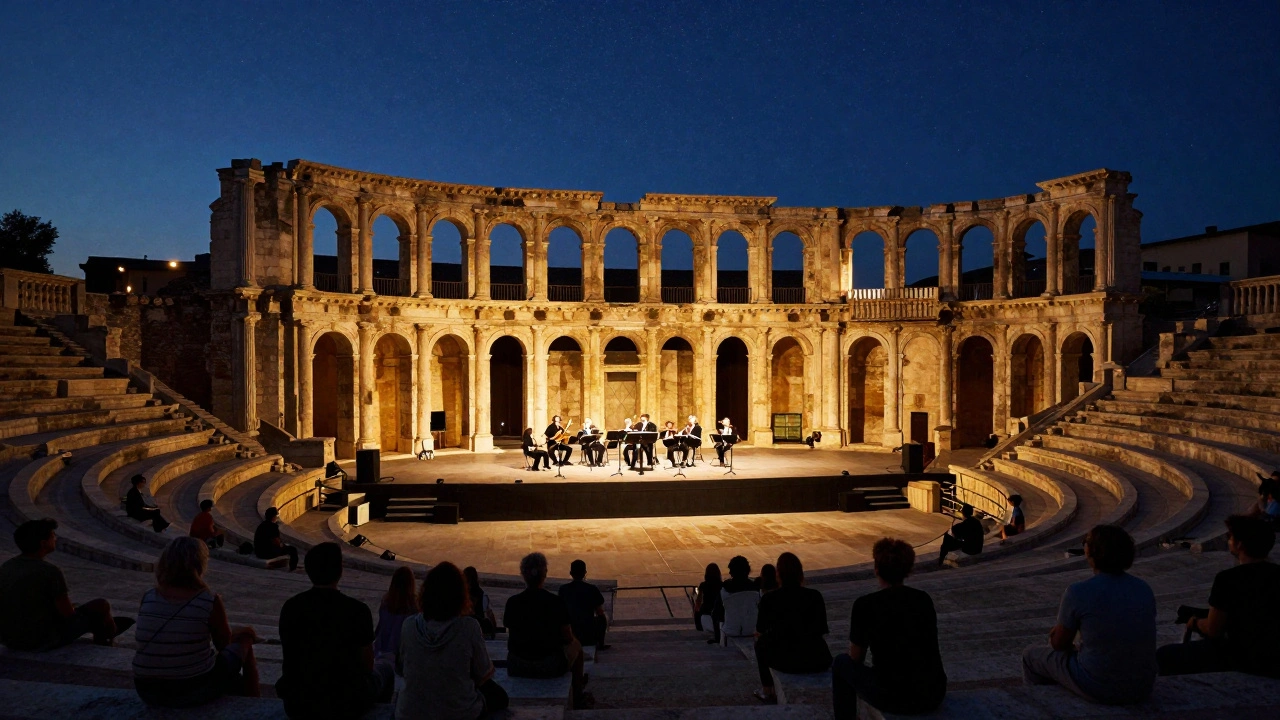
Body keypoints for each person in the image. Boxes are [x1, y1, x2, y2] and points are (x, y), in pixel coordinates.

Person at [1022, 524, 1157, 704]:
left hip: (1099, 685)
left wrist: (1056, 634)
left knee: (1030, 656)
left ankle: (1044, 706)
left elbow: (1059, 644)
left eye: (1086, 542)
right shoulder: (1144, 589)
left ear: (1091, 552)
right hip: (1142, 686)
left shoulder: (1078, 592)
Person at [132, 537, 261, 707]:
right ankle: (255, 703)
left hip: (146, 689)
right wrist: (244, 632)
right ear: (199, 565)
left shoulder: (149, 596)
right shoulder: (207, 600)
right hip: (192, 689)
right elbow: (224, 645)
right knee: (245, 640)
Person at [276, 542, 394, 719]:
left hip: (297, 703)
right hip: (345, 704)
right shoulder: (357, 610)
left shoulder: (290, 607)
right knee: (386, 669)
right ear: (340, 571)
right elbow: (368, 665)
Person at [832, 538, 946, 718]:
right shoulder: (923, 599)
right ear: (908, 570)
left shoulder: (865, 605)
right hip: (933, 693)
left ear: (876, 569)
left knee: (840, 663)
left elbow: (856, 657)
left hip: (893, 696)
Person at [1157, 515, 1280, 677]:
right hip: (1273, 654)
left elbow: (1213, 629)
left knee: (1164, 655)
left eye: (1230, 537)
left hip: (1239, 656)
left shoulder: (1228, 579)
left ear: (1240, 544)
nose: (1228, 540)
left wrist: (1194, 622)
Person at [396, 561, 509, 720]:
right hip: (460, 713)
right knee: (499, 696)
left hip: (410, 713)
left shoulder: (408, 626)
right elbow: (483, 675)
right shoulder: (469, 627)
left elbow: (401, 669)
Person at [0, 518, 131, 651]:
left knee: (88, 613)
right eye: (53, 536)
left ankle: (107, 630)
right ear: (43, 543)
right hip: (42, 639)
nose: (55, 539)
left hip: (10, 639)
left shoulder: (7, 566)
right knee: (100, 606)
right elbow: (68, 614)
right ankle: (106, 640)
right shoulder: (49, 571)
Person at [503, 552, 590, 708]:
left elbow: (511, 630)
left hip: (517, 665)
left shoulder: (512, 602)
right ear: (545, 574)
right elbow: (567, 637)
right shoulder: (555, 602)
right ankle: (578, 695)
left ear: (523, 575)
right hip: (549, 666)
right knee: (577, 647)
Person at [753, 552, 832, 704]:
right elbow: (822, 630)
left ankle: (767, 690)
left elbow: (760, 629)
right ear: (800, 574)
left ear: (779, 575)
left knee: (760, 642)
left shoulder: (769, 599)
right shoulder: (815, 596)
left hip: (784, 660)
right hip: (816, 658)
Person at [558, 559, 609, 651]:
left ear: (571, 573)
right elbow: (599, 612)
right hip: (588, 632)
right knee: (602, 618)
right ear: (585, 573)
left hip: (571, 630)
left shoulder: (563, 590)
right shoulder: (592, 589)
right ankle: (600, 643)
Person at [374, 566, 418, 659]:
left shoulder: (386, 602)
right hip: (399, 656)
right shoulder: (414, 607)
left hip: (382, 651)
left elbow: (380, 629)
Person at [721, 556, 759, 638]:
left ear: (732, 572)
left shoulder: (725, 589)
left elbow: (718, 612)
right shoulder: (755, 588)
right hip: (751, 629)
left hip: (731, 630)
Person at [693, 562, 724, 644]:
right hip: (718, 615)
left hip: (706, 613)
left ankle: (699, 627)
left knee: (697, 611)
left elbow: (698, 603)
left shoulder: (703, 585)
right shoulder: (722, 585)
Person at [464, 566, 498, 638]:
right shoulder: (482, 595)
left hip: (468, 628)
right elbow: (490, 614)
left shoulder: (462, 594)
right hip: (476, 629)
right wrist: (493, 631)